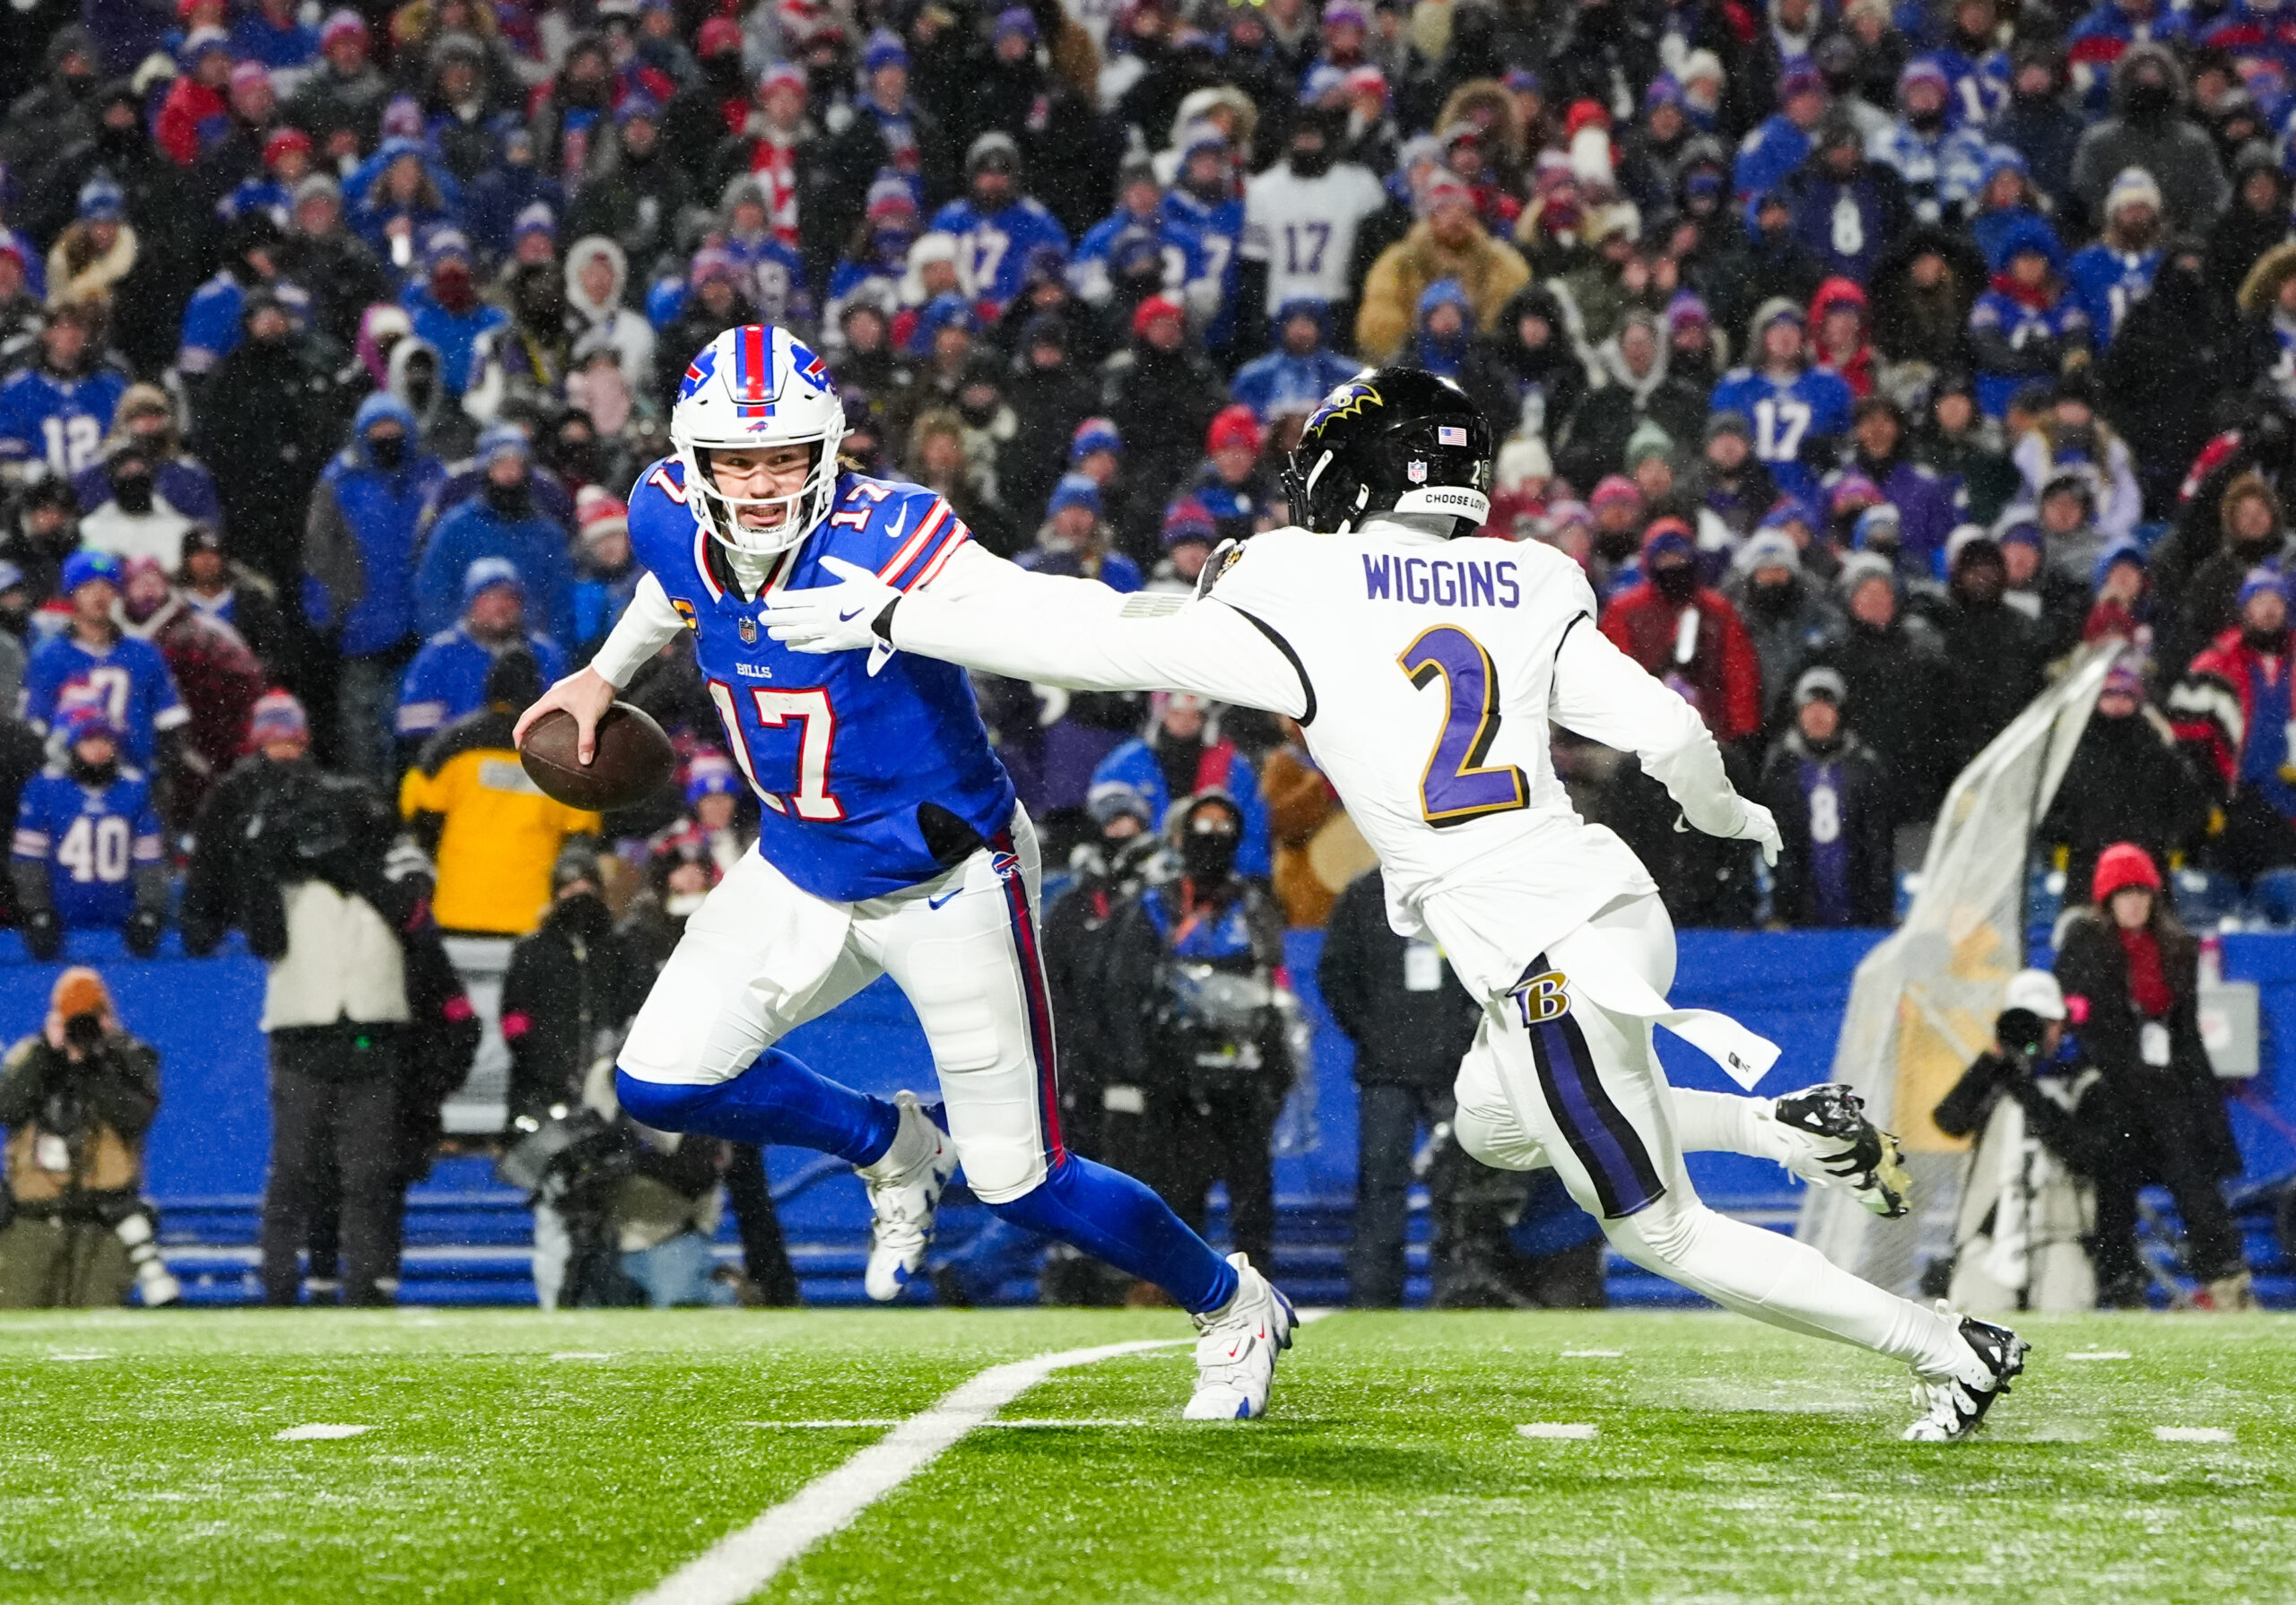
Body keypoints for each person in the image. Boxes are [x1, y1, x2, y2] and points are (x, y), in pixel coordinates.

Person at [770, 365, 2027, 1442]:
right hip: (1600, 898)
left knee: (1663, 1232)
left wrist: (899, 614)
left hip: (1535, 946)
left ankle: (1948, 1348)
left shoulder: (1300, 579)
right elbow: (1669, 729)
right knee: (1491, 1122)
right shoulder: (1530, 576)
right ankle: (1785, 1131)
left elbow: (1113, 639)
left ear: (1352, 474)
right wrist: (1730, 812)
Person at [515, 323, 1297, 1420]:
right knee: (659, 1082)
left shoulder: (892, 532)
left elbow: (1030, 608)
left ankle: (1231, 1301)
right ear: (692, 465)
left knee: (1024, 1181)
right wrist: (602, 674)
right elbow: (672, 577)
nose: (759, 483)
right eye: (736, 461)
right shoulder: (665, 512)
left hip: (948, 876)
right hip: (795, 863)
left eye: (784, 456)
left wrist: (1170, 617)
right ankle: (888, 1143)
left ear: (828, 449)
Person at [1100, 791, 1295, 1277]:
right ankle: (1181, 1284)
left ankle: (1258, 1285)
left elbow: (1274, 983)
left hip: (1244, 1072)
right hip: (1175, 1072)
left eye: (1224, 832)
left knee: (1252, 1189)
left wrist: (1277, 1063)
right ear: (1181, 838)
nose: (1213, 842)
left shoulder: (1252, 905)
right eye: (1202, 831)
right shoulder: (1155, 904)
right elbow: (1123, 988)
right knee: (1179, 1188)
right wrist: (1139, 1066)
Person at [2056, 844, 2253, 1310]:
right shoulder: (2086, 945)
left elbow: (2187, 1040)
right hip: (2111, 1087)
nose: (2134, 904)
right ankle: (2120, 1282)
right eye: (2124, 894)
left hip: (2164, 1087)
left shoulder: (2176, 950)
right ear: (2107, 901)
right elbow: (2087, 1028)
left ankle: (2223, 1279)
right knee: (2117, 1173)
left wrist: (2208, 1112)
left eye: (2142, 893)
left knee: (2192, 1172)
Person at [1320, 864, 1482, 1306]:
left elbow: (1489, 969)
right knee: (1382, 1189)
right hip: (1389, 1071)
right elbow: (1336, 975)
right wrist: (1374, 1034)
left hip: (1451, 1069)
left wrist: (1463, 1037)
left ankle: (1460, 1296)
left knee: (1460, 1192)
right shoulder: (1364, 895)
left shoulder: (1457, 888)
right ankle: (1374, 1300)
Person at [1933, 969, 2118, 1314]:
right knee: (1976, 1326)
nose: (2038, 1034)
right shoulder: (1993, 1075)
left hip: (2061, 1228)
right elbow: (1949, 1120)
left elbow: (2086, 1155)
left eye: (2046, 1022)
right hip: (1987, 1227)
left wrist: (2028, 1092)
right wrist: (1993, 1061)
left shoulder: (2084, 1080)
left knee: (2064, 1318)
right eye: (2026, 1022)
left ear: (2062, 1025)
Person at [0, 967, 169, 1308]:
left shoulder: (131, 1058)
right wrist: (49, 1052)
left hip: (105, 1223)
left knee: (96, 1332)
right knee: (18, 1328)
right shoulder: (31, 1056)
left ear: (108, 1017)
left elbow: (135, 1117)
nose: (82, 1029)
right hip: (34, 1220)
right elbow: (10, 1109)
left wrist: (96, 1062)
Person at [401, 650, 598, 939]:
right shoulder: (560, 755)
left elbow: (418, 814)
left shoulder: (449, 747)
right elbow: (582, 833)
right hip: (533, 918)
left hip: (457, 909)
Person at [1757, 668, 1896, 927]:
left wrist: (1879, 909)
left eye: (1826, 706)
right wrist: (1780, 908)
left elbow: (1879, 846)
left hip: (1859, 913)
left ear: (1841, 713)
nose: (1817, 716)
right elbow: (1775, 844)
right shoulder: (1782, 769)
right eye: (1810, 707)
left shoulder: (1865, 768)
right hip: (1799, 917)